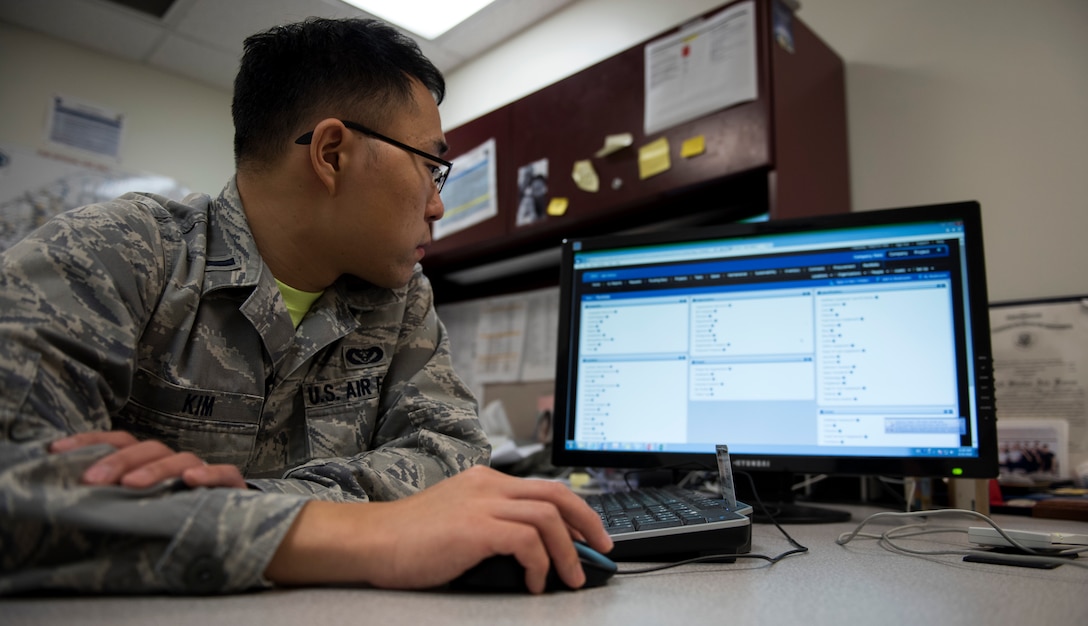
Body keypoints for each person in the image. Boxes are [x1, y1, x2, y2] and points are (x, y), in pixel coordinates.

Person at [0, 17, 611, 596]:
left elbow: (452, 459)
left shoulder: (398, 297)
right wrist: (358, 532)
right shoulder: (115, 255)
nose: (437, 205)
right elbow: (15, 484)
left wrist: (235, 501)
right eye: (431, 166)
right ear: (331, 153)